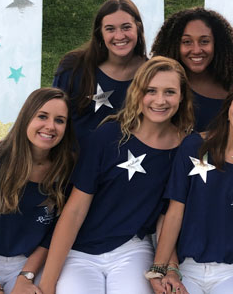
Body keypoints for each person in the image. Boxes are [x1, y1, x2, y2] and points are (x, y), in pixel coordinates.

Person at [38, 57, 194, 294]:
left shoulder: (184, 148)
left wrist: (165, 268)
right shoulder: (109, 135)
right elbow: (75, 211)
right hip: (81, 250)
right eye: (151, 91)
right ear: (137, 93)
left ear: (182, 96)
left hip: (132, 249)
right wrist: (48, 283)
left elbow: (168, 215)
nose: (160, 100)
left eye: (170, 92)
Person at [148, 75, 233, 294]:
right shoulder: (194, 147)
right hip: (187, 268)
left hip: (232, 272)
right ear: (230, 103)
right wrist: (162, 269)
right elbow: (174, 212)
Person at [0, 87, 77, 294]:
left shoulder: (65, 169)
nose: (50, 126)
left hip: (30, 263)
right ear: (26, 117)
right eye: (42, 116)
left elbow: (53, 234)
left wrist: (26, 277)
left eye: (60, 120)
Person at [53, 0, 147, 144]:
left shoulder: (153, 73)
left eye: (126, 27)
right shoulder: (73, 67)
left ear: (138, 28)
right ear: (100, 33)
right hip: (75, 162)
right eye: (110, 29)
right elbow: (52, 116)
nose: (119, 36)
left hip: (127, 164)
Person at [151, 7, 233, 132]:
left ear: (218, 44)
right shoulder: (157, 85)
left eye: (204, 41)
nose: (196, 50)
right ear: (174, 45)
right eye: (187, 41)